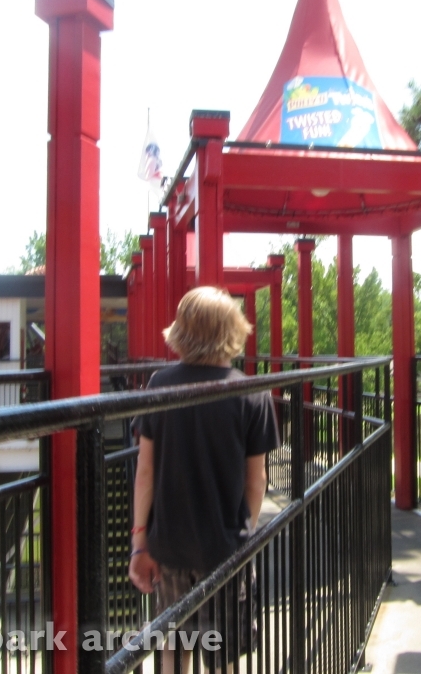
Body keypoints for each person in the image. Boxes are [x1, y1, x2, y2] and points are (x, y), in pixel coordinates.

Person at [128, 286, 279, 673]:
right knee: (224, 656)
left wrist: (139, 544)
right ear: (233, 329)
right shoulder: (251, 391)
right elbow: (256, 480)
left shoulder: (160, 385)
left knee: (175, 649)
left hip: (170, 545)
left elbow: (145, 471)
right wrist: (242, 529)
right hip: (226, 547)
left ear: (181, 331)